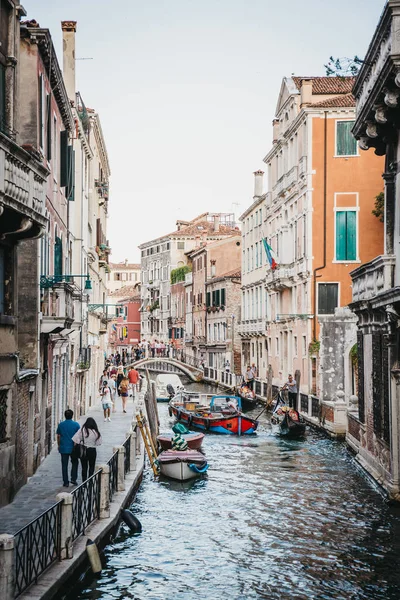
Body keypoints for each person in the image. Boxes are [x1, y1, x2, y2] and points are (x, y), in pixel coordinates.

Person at [72, 418, 102, 482]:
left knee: (84, 467)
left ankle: (84, 482)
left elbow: (75, 439)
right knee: (92, 467)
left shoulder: (82, 430)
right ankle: (90, 482)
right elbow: (99, 443)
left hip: (83, 450)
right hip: (92, 450)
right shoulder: (95, 432)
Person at [56, 409, 80, 487]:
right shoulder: (76, 425)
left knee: (64, 465)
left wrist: (59, 445)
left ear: (64, 415)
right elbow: (78, 436)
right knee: (75, 463)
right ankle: (73, 479)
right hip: (73, 448)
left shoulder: (61, 425)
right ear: (72, 416)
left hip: (63, 447)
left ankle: (65, 482)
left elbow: (58, 436)